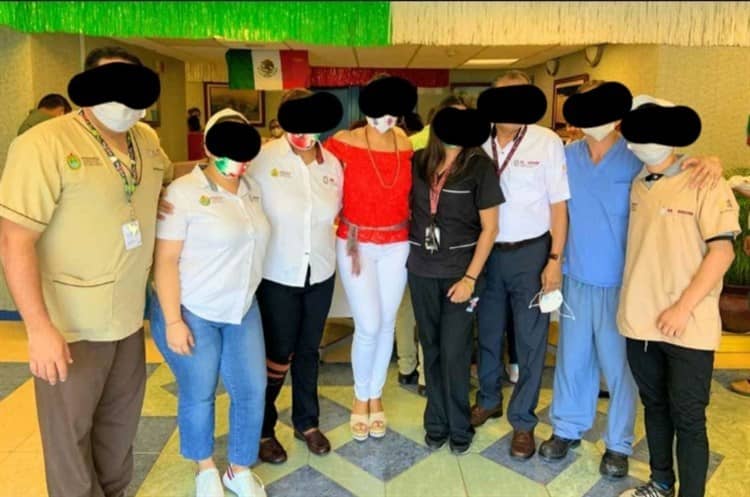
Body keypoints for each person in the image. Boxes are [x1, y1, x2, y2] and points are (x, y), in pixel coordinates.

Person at [0, 47, 169, 497]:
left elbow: (164, 182)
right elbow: (14, 240)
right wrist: (39, 329)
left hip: (128, 319)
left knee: (118, 433)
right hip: (69, 325)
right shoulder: (44, 144)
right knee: (70, 444)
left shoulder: (146, 140)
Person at [538, 81, 724, 477]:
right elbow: (557, 208)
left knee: (620, 368)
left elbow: (677, 165)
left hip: (624, 284)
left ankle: (618, 444)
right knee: (572, 359)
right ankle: (567, 428)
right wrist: (555, 261)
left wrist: (711, 160)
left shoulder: (636, 152)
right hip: (576, 276)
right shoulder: (568, 156)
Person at [617, 96, 739, 497]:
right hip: (641, 321)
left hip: (689, 325)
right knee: (654, 407)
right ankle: (661, 482)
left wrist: (682, 308)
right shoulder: (638, 183)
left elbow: (722, 252)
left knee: (688, 418)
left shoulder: (705, 180)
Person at [150, 108, 269, 497]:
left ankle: (239, 468)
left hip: (242, 308)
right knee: (199, 391)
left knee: (251, 390)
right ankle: (204, 468)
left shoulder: (252, 190)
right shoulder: (183, 193)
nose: (237, 163)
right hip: (193, 309)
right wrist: (173, 321)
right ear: (209, 147)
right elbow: (166, 260)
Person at [473, 70, 570, 461]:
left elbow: (559, 207)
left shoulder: (546, 141)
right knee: (488, 332)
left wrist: (554, 260)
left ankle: (524, 421)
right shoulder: (478, 139)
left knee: (530, 341)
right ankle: (488, 399)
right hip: (486, 253)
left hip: (531, 253)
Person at [250, 89, 344, 464]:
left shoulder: (331, 164)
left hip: (319, 272)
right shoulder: (262, 158)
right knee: (276, 354)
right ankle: (263, 427)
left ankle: (307, 421)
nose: (305, 133)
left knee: (308, 350)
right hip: (277, 275)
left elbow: (339, 213)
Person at [324, 75, 416, 441]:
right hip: (356, 243)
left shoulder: (404, 143)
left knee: (388, 321)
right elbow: (319, 179)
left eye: (393, 112)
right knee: (368, 324)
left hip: (398, 242)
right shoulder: (344, 142)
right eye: (379, 111)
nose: (385, 119)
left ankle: (375, 395)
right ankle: (360, 396)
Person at [408, 107, 502, 455]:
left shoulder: (479, 167)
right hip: (422, 270)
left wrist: (470, 278)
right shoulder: (418, 161)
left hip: (461, 274)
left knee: (455, 352)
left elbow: (490, 229)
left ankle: (459, 426)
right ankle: (436, 422)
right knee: (430, 348)